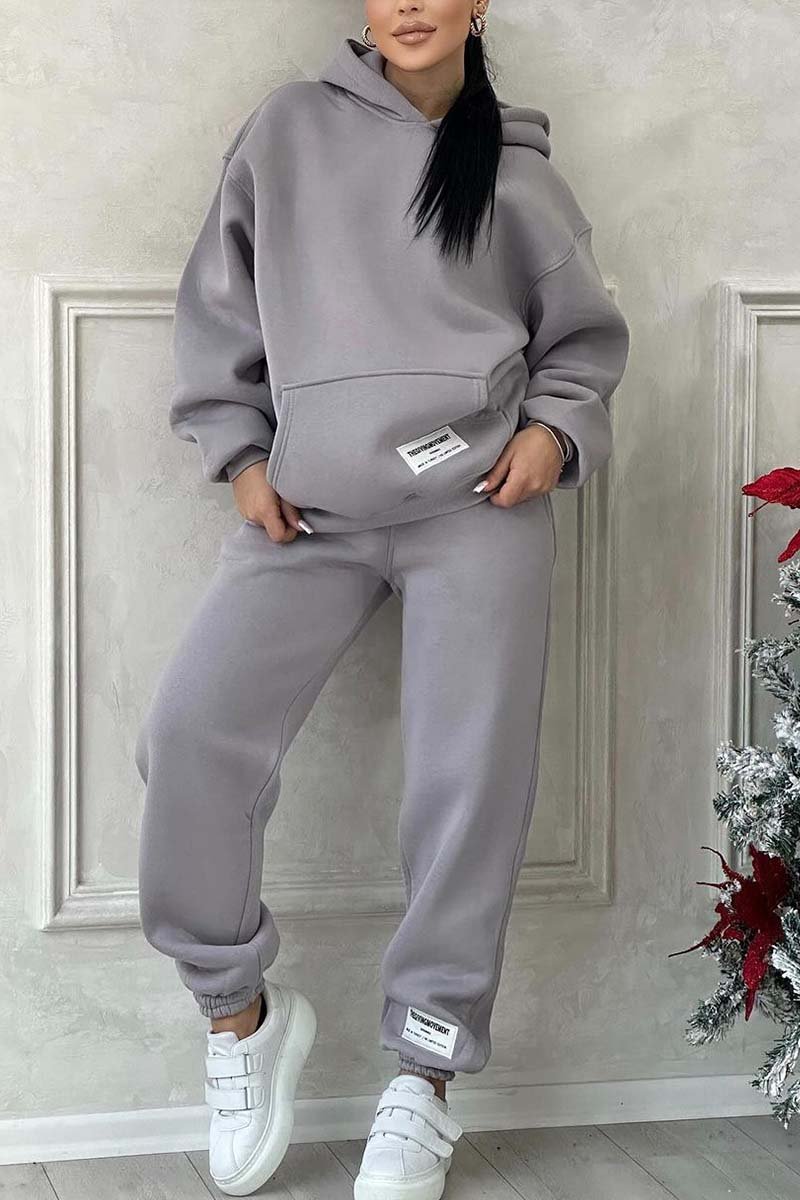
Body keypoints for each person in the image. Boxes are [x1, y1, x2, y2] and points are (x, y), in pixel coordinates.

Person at [134, 3, 630, 1197]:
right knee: (190, 736)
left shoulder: (511, 166)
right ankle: (239, 1016)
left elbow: (581, 344)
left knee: (468, 785)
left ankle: (425, 1076)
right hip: (310, 511)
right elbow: (218, 309)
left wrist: (553, 435)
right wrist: (240, 457)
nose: (408, 3)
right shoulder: (286, 131)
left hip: (480, 509)